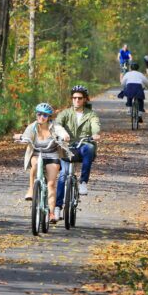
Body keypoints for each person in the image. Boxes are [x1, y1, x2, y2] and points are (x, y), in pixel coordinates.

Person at [13, 103, 69, 224]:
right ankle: (31, 189)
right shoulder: (32, 126)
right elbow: (26, 136)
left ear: (49, 117)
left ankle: (52, 213)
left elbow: (62, 132)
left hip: (52, 154)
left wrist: (65, 136)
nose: (41, 117)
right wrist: (21, 138)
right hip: (37, 153)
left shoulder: (54, 126)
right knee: (36, 164)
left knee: (51, 184)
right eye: (39, 114)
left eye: (45, 115)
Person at [55, 86, 101, 220]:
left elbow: (95, 124)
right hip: (66, 147)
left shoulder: (90, 114)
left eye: (79, 98)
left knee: (89, 148)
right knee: (63, 175)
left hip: (83, 145)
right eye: (74, 98)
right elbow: (57, 124)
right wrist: (62, 133)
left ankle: (83, 183)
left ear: (85, 100)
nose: (76, 101)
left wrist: (95, 133)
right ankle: (57, 207)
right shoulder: (65, 113)